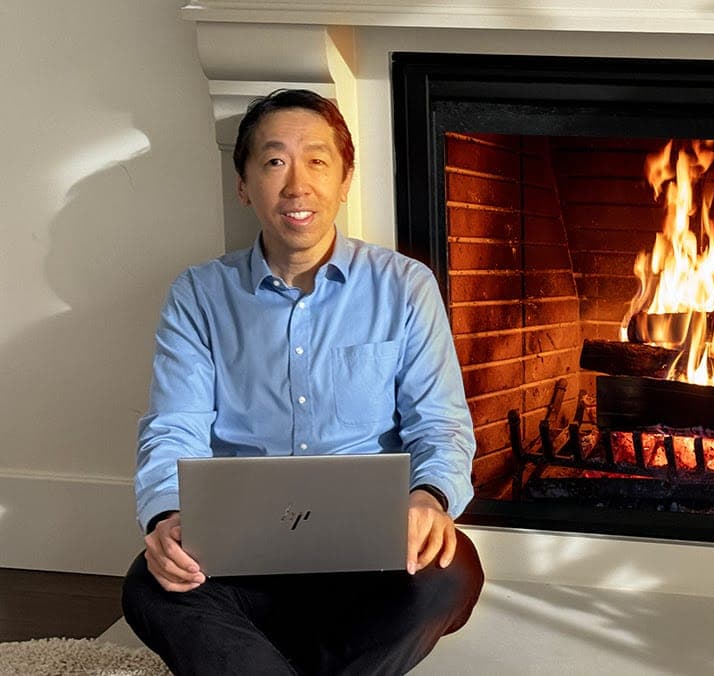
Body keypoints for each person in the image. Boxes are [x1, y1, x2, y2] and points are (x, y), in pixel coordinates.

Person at [121, 89, 484, 675]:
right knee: (150, 584)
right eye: (273, 161)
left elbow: (439, 424)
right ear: (243, 185)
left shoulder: (404, 286)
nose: (297, 185)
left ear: (344, 181)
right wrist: (166, 518)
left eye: (317, 161)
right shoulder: (198, 296)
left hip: (369, 559)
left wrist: (429, 499)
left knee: (451, 572)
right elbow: (173, 428)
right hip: (237, 559)